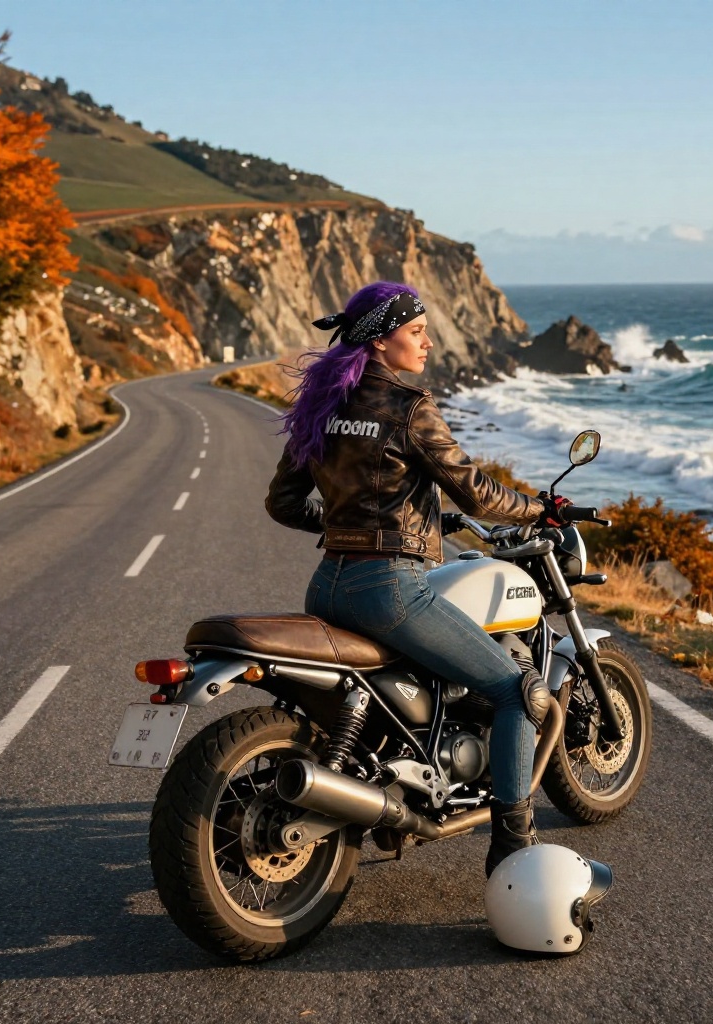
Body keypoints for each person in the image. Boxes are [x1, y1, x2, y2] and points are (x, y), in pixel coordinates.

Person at [265, 281, 570, 876]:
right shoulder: (407, 406)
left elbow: (283, 503)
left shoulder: (324, 406)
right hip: (390, 589)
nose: (428, 342)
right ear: (381, 341)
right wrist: (539, 510)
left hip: (327, 584)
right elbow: (474, 491)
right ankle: (515, 846)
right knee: (517, 692)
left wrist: (346, 523)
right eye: (416, 332)